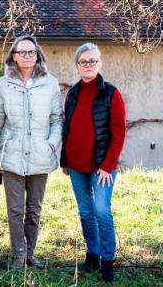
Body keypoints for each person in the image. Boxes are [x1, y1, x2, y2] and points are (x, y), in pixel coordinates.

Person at [0, 35, 63, 268]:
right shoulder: (3, 83)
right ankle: (18, 255)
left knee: (34, 209)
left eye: (31, 52)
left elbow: (57, 119)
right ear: (14, 56)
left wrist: (51, 143)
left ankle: (30, 253)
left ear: (37, 54)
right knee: (15, 209)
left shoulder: (50, 83)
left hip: (41, 153)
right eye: (22, 52)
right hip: (12, 155)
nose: (27, 56)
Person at [60, 43, 126, 285]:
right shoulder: (73, 94)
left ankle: (108, 261)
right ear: (77, 65)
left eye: (92, 61)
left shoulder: (111, 93)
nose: (88, 65)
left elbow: (118, 132)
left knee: (101, 210)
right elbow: (67, 129)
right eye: (83, 61)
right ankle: (93, 254)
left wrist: (108, 165)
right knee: (86, 213)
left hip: (102, 166)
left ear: (100, 63)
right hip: (76, 165)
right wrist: (64, 161)